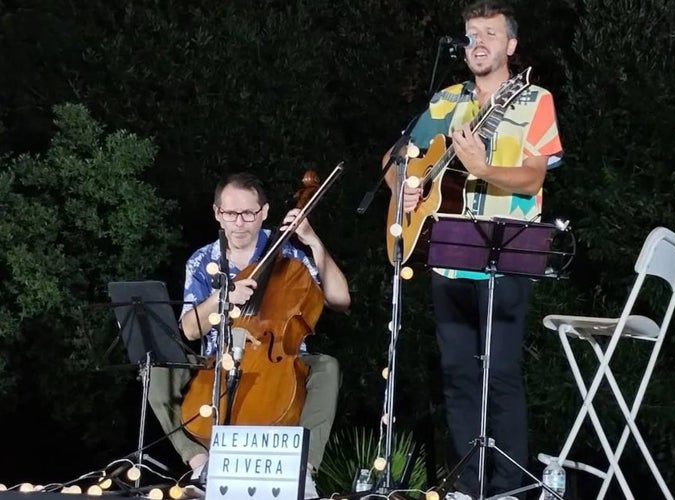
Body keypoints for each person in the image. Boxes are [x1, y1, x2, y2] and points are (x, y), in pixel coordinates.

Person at [383, 1, 563, 499]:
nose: (477, 42)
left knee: (500, 375)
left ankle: (509, 488)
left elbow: (534, 174)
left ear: (510, 46)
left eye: (489, 33)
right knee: (458, 375)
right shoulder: (446, 101)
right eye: (470, 34)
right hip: (447, 256)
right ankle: (468, 482)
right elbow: (394, 158)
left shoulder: (533, 100)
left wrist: (483, 170)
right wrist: (407, 184)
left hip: (506, 256)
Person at [148, 172, 350, 499]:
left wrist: (314, 242)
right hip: (215, 363)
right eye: (230, 214)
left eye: (248, 214)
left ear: (264, 212)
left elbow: (340, 300)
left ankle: (304, 471)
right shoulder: (203, 261)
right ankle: (200, 464)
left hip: (278, 362)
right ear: (217, 213)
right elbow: (187, 329)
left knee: (327, 366)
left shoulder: (287, 255)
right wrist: (222, 299)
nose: (239, 223)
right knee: (156, 368)